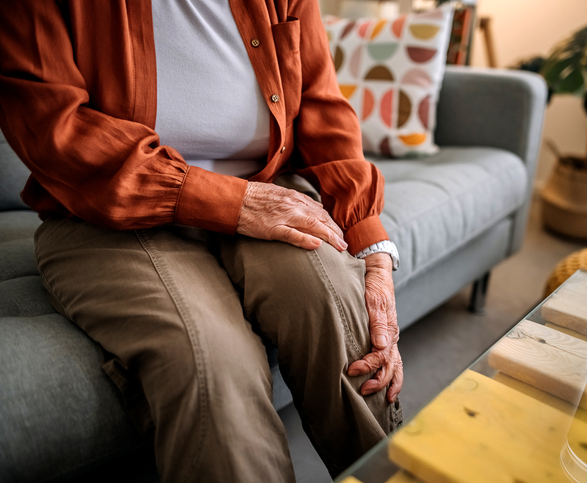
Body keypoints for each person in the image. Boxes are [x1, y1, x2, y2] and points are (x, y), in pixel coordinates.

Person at [0, 0, 404, 481]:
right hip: (106, 211)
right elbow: (54, 129)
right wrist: (227, 202)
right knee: (212, 364)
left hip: (267, 184)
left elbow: (319, 103)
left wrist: (371, 247)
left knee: (341, 313)